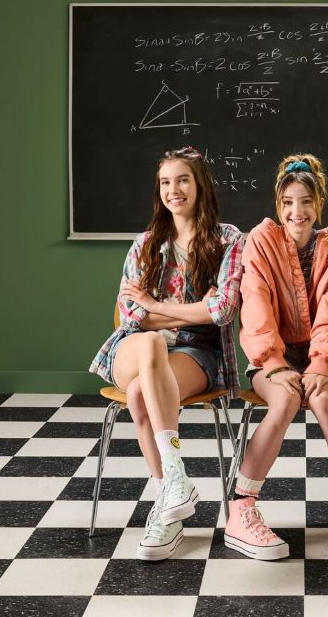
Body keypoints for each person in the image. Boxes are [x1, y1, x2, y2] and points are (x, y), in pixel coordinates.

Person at [89, 147, 244, 561]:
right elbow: (130, 314)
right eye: (165, 182)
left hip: (195, 353)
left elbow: (223, 310)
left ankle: (167, 507)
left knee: (141, 392)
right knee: (151, 345)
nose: (173, 190)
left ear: (200, 185)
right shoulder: (145, 243)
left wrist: (154, 306)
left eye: (182, 180)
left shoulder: (228, 239)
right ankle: (177, 477)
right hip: (133, 345)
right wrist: (187, 312)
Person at [231, 153, 328, 562]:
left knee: (321, 399)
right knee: (283, 401)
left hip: (323, 355)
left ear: (318, 205)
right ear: (277, 205)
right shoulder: (260, 241)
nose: (296, 211)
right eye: (287, 203)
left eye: (305, 202)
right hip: (272, 356)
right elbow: (255, 305)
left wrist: (320, 362)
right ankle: (240, 508)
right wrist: (274, 363)